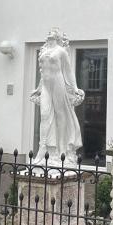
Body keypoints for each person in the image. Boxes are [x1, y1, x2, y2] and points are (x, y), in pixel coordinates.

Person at [29, 28, 84, 163]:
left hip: (58, 83)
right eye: (48, 34)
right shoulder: (44, 51)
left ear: (57, 37)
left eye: (52, 34)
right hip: (46, 86)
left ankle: (62, 149)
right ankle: (43, 147)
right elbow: (42, 72)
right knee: (44, 115)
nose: (49, 35)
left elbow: (69, 71)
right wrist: (38, 88)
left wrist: (75, 87)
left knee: (60, 114)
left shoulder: (61, 51)